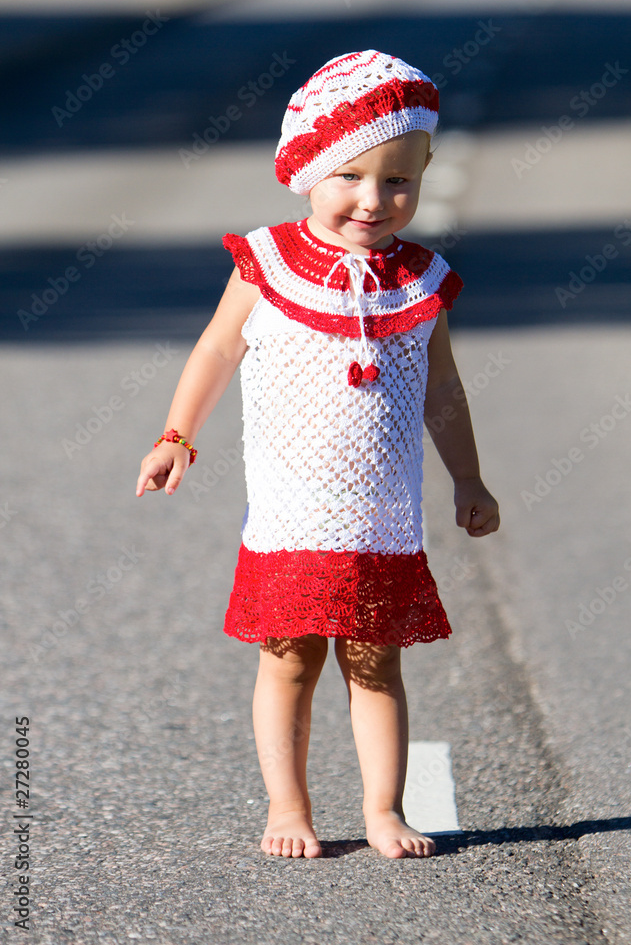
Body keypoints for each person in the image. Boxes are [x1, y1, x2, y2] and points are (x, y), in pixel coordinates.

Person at [136, 50, 499, 860]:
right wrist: (175, 435)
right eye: (350, 176)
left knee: (375, 669)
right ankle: (288, 807)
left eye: (397, 181)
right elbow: (215, 352)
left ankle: (382, 811)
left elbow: (443, 389)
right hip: (291, 515)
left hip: (380, 520)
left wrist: (467, 477)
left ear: (423, 174)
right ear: (305, 168)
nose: (373, 199)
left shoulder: (420, 282)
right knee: (289, 663)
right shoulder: (265, 264)